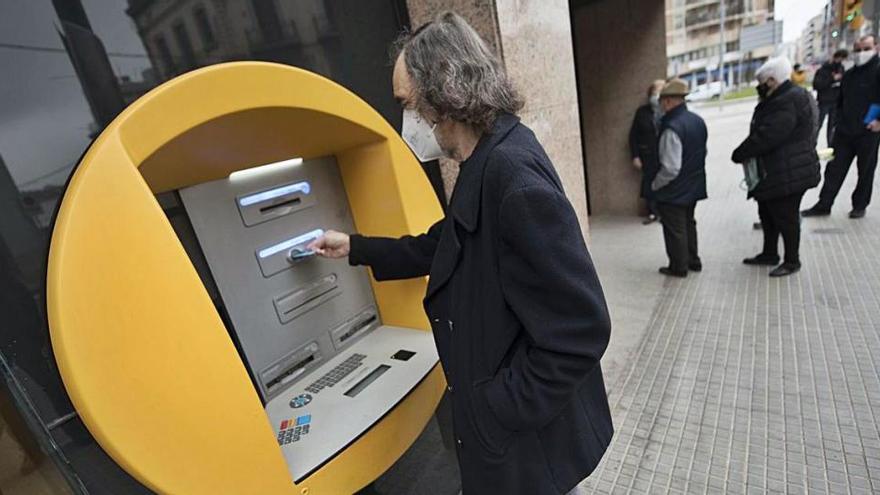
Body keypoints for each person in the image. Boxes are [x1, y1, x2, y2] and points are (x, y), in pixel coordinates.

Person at [308, 12, 613, 494]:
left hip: (530, 449)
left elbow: (581, 329)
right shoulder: (487, 157)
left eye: (408, 104)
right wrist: (357, 248)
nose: (407, 122)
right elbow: (445, 243)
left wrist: (494, 408)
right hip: (516, 441)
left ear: (445, 92)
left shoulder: (512, 180)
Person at [731, 57, 821, 277]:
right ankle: (769, 253)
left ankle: (792, 261)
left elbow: (768, 135)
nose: (759, 87)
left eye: (761, 82)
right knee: (768, 213)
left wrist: (740, 153)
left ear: (772, 80)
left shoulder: (787, 100)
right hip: (779, 170)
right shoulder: (788, 96)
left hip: (788, 171)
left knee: (786, 218)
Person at [803, 35, 880, 219]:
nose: (861, 53)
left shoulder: (877, 70)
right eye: (858, 49)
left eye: (866, 48)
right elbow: (841, 101)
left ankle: (859, 205)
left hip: (868, 131)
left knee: (866, 170)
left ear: (876, 47)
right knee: (834, 168)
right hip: (845, 131)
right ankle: (824, 204)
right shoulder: (850, 75)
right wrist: (837, 124)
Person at [652, 79, 708, 278]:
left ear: (668, 102)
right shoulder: (697, 120)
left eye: (661, 102)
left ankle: (678, 266)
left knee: (675, 228)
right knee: (688, 223)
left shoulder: (671, 128)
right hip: (694, 184)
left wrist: (655, 185)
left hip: (674, 188)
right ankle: (693, 260)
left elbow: (670, 167)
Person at [629, 80, 666, 224]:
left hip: (664, 155)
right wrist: (635, 156)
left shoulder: (666, 112)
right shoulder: (642, 112)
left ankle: (663, 211)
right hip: (648, 155)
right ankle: (652, 211)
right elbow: (633, 136)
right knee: (649, 183)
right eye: (654, 92)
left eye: (660, 92)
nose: (656, 96)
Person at [812, 49, 849, 145]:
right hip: (824, 101)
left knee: (832, 126)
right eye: (839, 59)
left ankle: (831, 146)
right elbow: (817, 85)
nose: (840, 62)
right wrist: (832, 78)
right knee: (817, 124)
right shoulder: (823, 70)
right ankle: (811, 144)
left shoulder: (841, 68)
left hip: (836, 101)